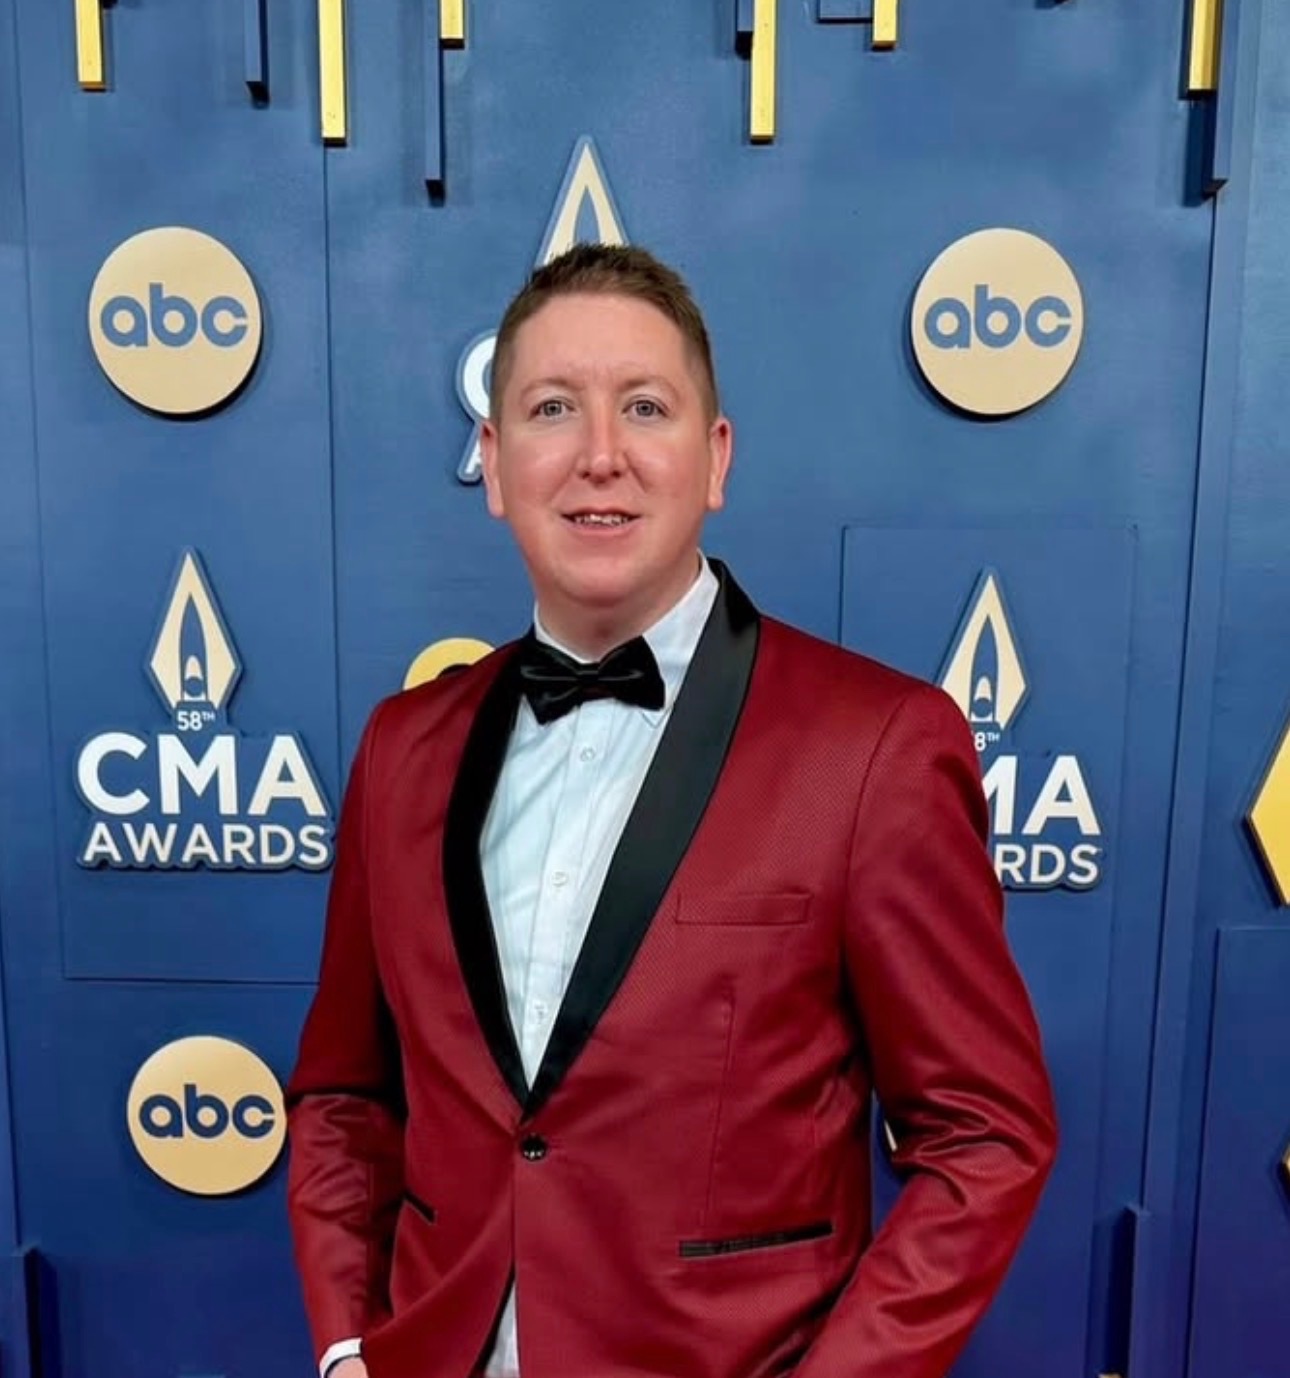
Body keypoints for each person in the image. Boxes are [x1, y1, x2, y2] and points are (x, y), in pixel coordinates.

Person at [285, 243, 1058, 1378]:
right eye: (552, 408)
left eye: (645, 406)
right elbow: (347, 1094)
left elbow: (985, 1136)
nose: (600, 454)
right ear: (493, 463)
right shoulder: (403, 747)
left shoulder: (876, 746)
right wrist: (350, 1344)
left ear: (715, 458)